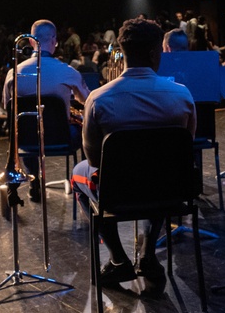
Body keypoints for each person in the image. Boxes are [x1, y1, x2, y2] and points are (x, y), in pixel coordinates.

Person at [71, 17, 197, 297]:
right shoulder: (182, 96)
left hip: (118, 193)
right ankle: (148, 253)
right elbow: (185, 148)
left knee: (79, 174)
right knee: (163, 172)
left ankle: (118, 259)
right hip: (169, 189)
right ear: (155, 53)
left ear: (122, 50)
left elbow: (93, 159)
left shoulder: (98, 99)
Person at [2, 19, 90, 205]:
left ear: (31, 42)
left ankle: (34, 182)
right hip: (61, 138)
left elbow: (7, 108)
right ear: (55, 41)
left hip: (27, 140)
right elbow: (87, 101)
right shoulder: (68, 71)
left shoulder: (14, 73)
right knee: (84, 128)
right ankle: (85, 187)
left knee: (29, 128)